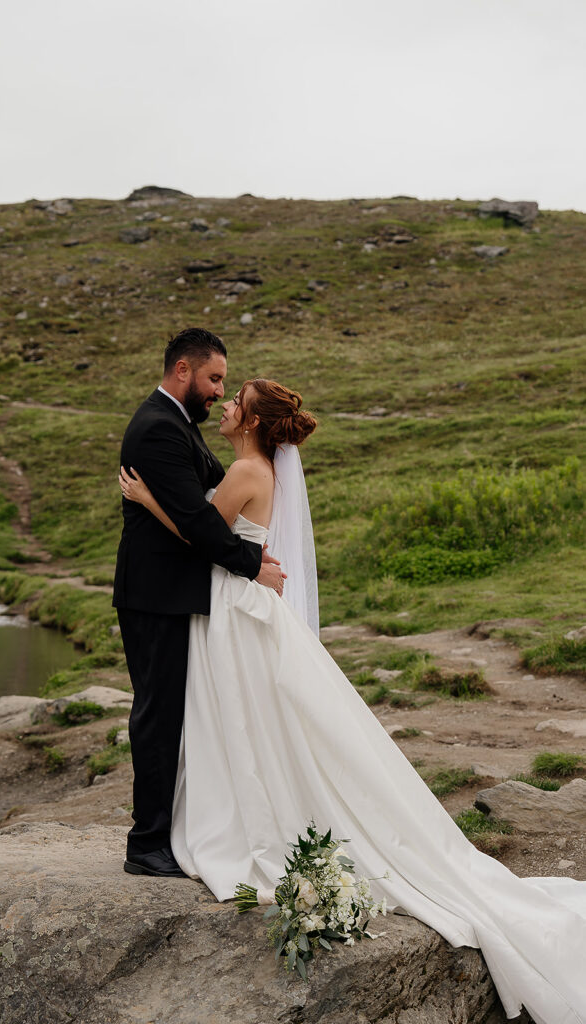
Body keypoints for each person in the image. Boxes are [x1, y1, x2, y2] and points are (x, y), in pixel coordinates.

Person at [120, 376, 586, 1024]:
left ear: (253, 422)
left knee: (246, 716)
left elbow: (197, 536)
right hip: (241, 603)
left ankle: (243, 816)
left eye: (236, 402)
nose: (225, 407)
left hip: (235, 610)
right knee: (256, 720)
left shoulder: (248, 469)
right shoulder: (252, 465)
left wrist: (146, 499)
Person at [113, 328, 285, 880]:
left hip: (175, 593)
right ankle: (146, 844)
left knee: (179, 714)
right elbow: (195, 522)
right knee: (157, 714)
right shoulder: (159, 430)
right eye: (214, 379)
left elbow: (214, 494)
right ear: (182, 370)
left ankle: (168, 831)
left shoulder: (178, 425)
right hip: (156, 595)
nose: (218, 392)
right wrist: (252, 565)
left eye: (225, 386)